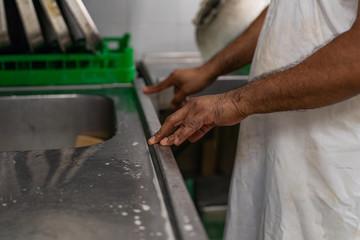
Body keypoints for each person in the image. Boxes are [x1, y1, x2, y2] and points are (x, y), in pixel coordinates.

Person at [144, 0, 360, 239]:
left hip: (330, 168)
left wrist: (235, 102)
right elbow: (287, 12)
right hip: (274, 155)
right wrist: (210, 70)